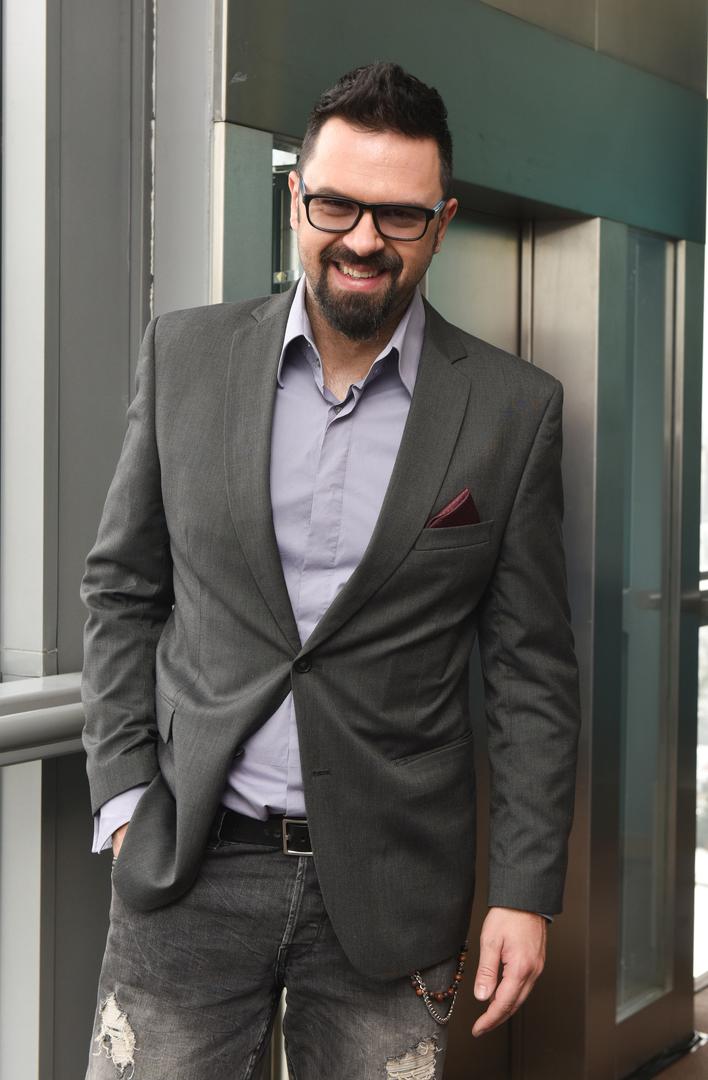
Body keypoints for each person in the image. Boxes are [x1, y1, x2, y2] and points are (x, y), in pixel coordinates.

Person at [82, 61, 580, 1080]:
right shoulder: (184, 358)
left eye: (399, 215)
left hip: (396, 890)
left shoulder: (512, 410)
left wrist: (524, 891)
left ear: (441, 224)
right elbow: (123, 590)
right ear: (295, 200)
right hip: (188, 865)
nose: (362, 238)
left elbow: (531, 671)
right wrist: (125, 795)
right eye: (336, 204)